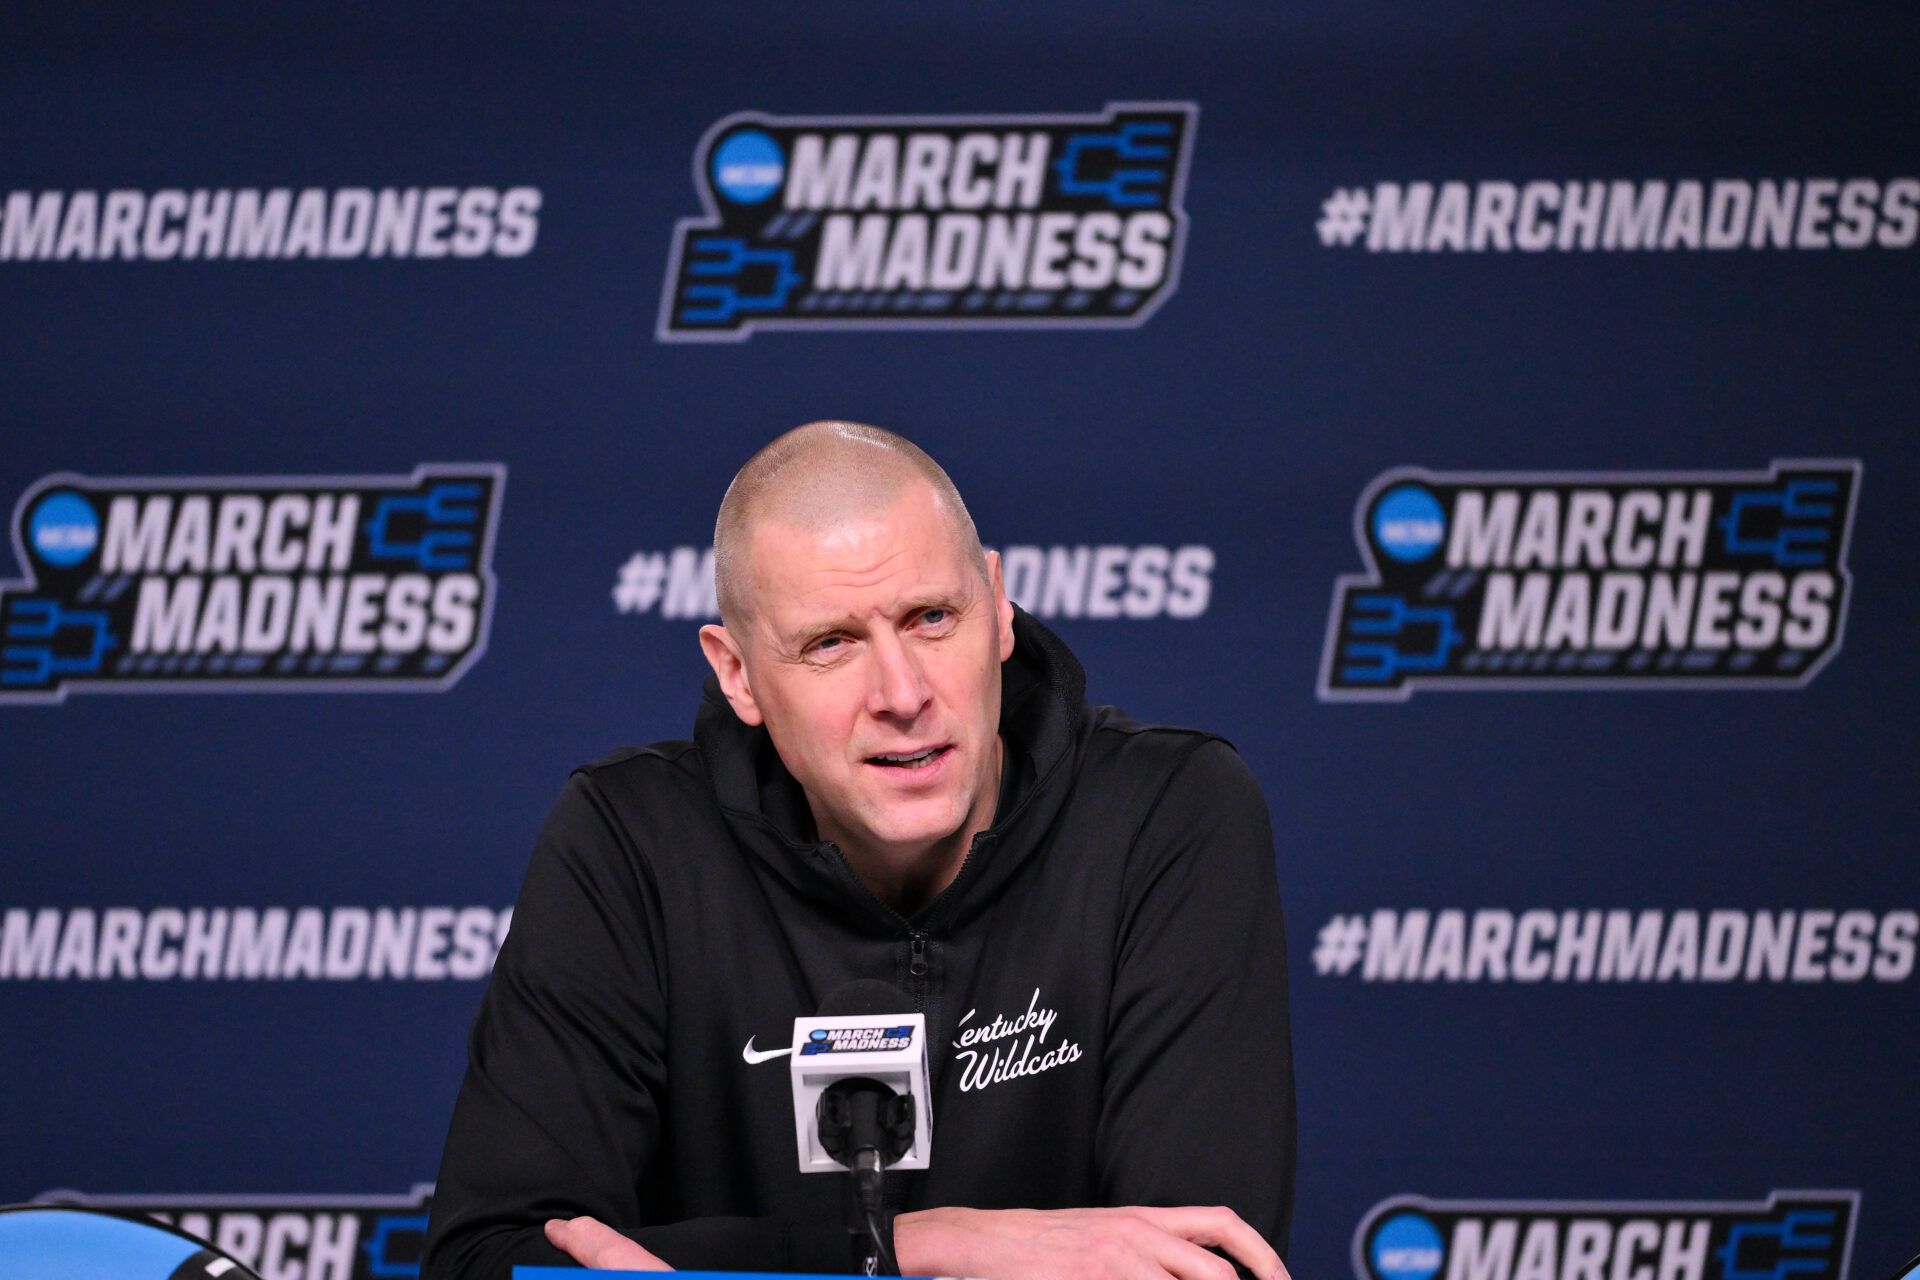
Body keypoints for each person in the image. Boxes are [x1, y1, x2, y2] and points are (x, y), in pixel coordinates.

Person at [422, 422, 1295, 1280]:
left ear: (997, 610)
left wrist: (713, 1269)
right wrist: (927, 1247)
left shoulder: (1168, 813)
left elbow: (1199, 1265)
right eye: (830, 644)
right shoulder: (631, 843)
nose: (903, 694)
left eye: (932, 618)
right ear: (739, 677)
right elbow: (492, 1261)